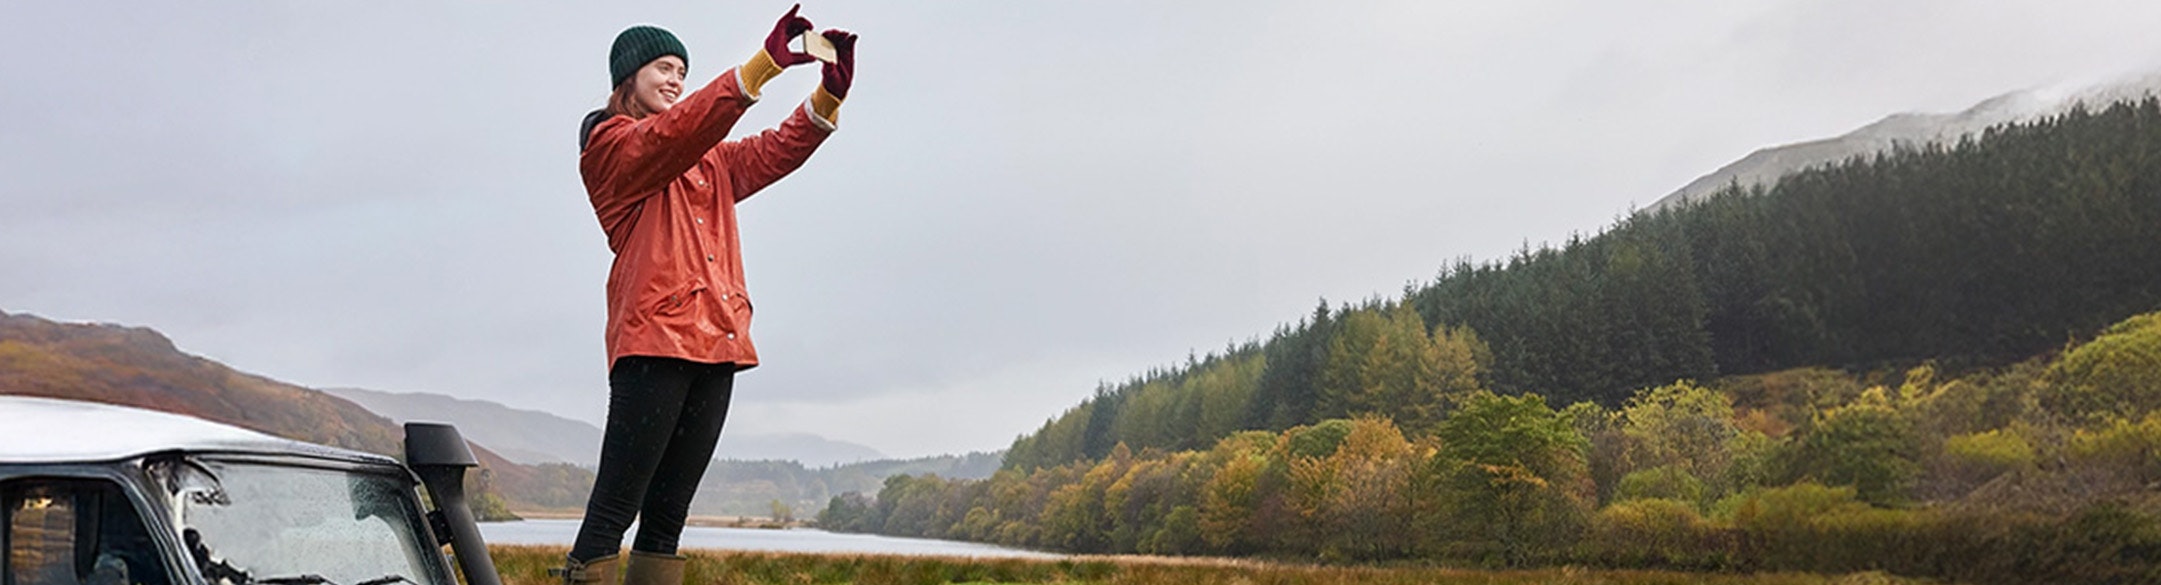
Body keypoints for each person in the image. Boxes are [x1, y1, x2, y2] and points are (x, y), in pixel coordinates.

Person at [561, 6, 856, 585]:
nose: (675, 79)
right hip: (654, 340)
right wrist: (762, 66)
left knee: (668, 515)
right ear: (629, 76)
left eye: (682, 72)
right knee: (615, 507)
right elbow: (675, 133)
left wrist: (828, 97)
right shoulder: (608, 144)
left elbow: (773, 149)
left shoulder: (709, 158)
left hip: (718, 344)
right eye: (663, 68)